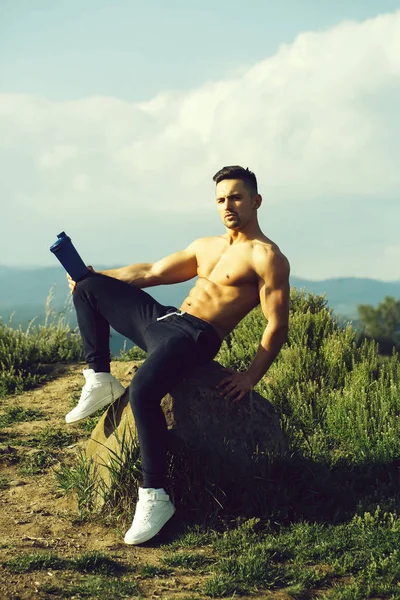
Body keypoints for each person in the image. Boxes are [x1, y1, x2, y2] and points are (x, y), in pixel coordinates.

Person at [66, 165, 290, 545]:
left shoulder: (266, 257)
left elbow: (276, 325)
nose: (228, 205)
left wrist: (251, 377)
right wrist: (98, 275)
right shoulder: (207, 246)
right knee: (86, 288)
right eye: (221, 199)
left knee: (142, 391)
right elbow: (151, 272)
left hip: (197, 336)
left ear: (256, 201)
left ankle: (155, 496)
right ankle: (99, 378)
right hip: (167, 320)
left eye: (236, 197)